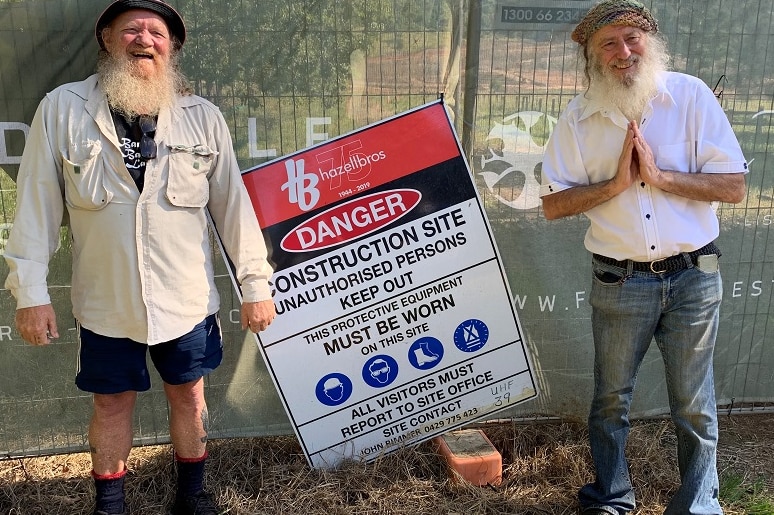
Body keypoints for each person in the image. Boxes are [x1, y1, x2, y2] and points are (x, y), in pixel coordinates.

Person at [3, 1, 276, 513]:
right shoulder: (62, 109)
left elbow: (233, 209)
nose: (144, 39)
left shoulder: (202, 118)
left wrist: (256, 284)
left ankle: (192, 499)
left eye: (157, 31)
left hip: (187, 301)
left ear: (171, 47)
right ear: (106, 39)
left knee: (190, 396)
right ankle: (111, 505)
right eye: (131, 28)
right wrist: (31, 294)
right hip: (106, 305)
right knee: (109, 402)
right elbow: (35, 208)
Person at [540, 1, 748, 514]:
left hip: (693, 277)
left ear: (650, 43)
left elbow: (736, 186)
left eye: (632, 38)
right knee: (611, 401)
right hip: (619, 281)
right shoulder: (578, 117)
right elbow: (552, 204)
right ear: (592, 58)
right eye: (607, 43)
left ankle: (698, 506)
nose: (622, 51)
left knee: (695, 406)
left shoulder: (691, 96)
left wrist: (660, 178)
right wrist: (615, 184)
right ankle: (610, 499)